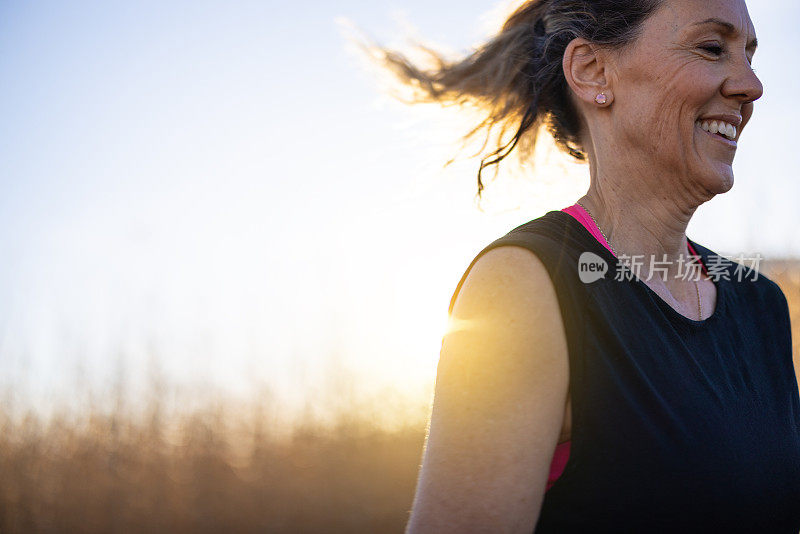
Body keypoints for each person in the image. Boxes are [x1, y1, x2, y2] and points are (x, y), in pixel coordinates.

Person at [364, 0, 800, 532]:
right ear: (593, 72)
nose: (751, 85)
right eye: (713, 48)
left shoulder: (762, 306)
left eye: (749, 55)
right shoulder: (524, 286)